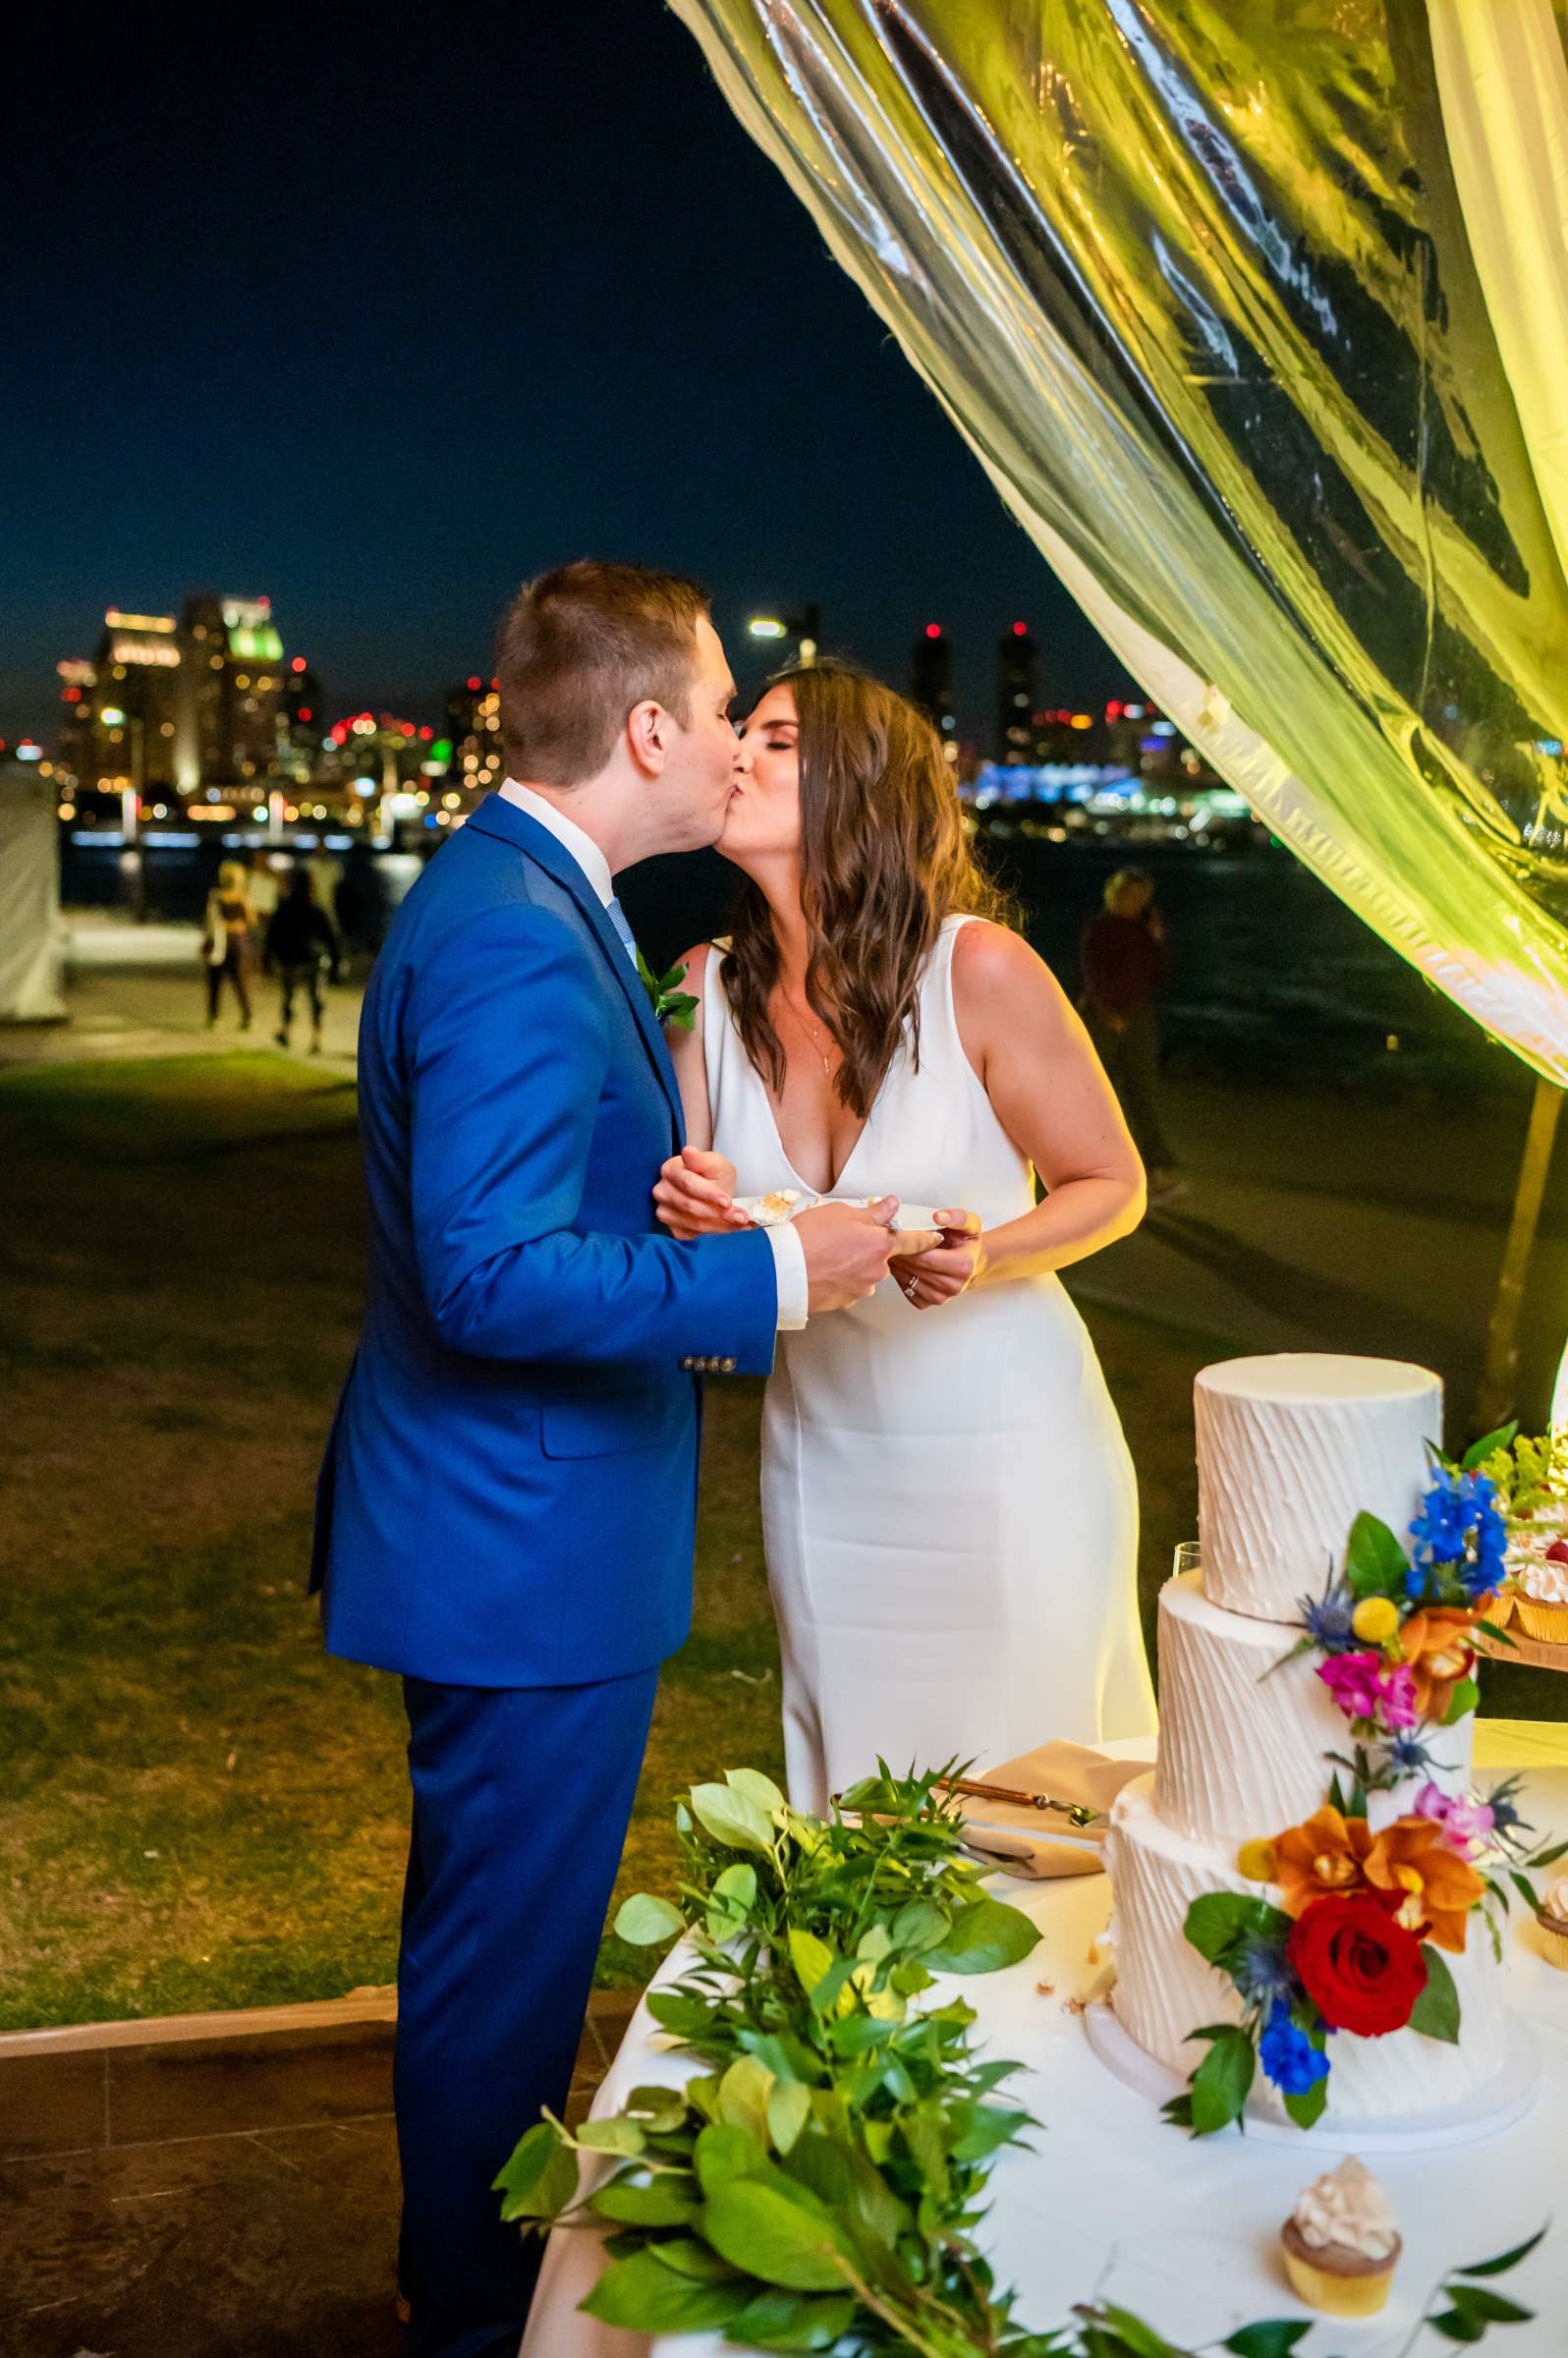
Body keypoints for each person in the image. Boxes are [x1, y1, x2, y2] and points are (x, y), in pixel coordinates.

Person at [310, 564, 908, 2358]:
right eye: (723, 706)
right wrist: (784, 1269)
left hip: (517, 1536)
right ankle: (475, 2316)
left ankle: (457, 2277)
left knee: (496, 1956)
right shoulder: (510, 925)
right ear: (648, 730)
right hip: (519, 1547)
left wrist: (689, 1226)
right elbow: (486, 1274)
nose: (733, 738)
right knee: (504, 1978)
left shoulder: (526, 899)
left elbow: (527, 1215)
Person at [654, 663, 1157, 1816]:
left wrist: (991, 1252)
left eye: (777, 739)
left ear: (862, 788)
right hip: (826, 1471)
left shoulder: (976, 968)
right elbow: (687, 1219)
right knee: (858, 1800)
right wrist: (691, 1207)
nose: (738, 751)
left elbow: (1110, 1182)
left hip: (1010, 1460)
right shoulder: (701, 991)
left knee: (1043, 1804)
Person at [1079, 867, 1182, 1201]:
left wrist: (1157, 938)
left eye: (1141, 898)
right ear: (1115, 894)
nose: (1135, 902)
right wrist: (1109, 1012)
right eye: (1129, 895)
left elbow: (1160, 974)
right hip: (1104, 1019)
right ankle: (1092, 1169)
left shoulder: (1143, 929)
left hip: (1137, 1019)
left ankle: (1153, 1169)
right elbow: (1093, 973)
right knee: (1100, 1098)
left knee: (1142, 1095)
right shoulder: (1101, 928)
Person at [264, 867, 341, 1052]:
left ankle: (286, 1031)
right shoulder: (318, 910)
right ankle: (316, 1039)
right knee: (316, 1000)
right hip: (314, 958)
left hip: (290, 958)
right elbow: (332, 938)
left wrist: (267, 958)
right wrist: (336, 964)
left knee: (289, 998)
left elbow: (272, 936)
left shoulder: (284, 909)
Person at [200, 860, 254, 1030]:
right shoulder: (220, 897)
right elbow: (213, 921)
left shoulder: (241, 898)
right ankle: (219, 1016)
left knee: (236, 982)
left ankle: (242, 1016)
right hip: (226, 943)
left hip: (232, 945)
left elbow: (250, 920)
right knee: (226, 982)